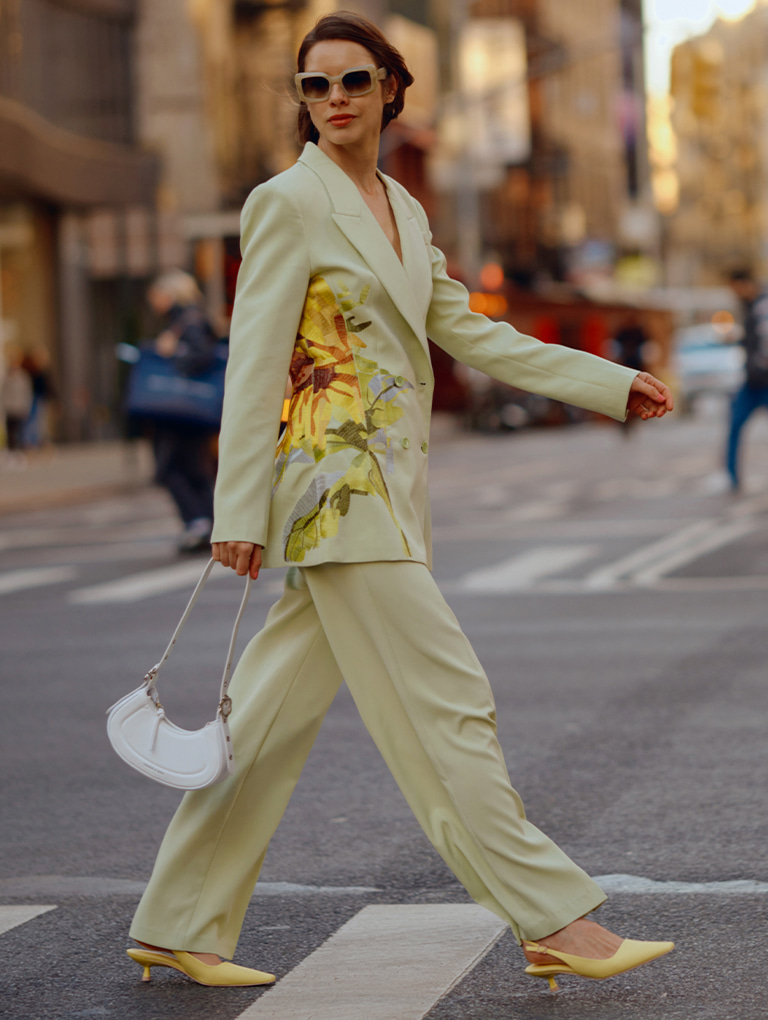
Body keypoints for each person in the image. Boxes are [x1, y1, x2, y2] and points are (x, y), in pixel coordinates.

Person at [126, 12, 675, 991]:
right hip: (337, 494)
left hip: (386, 493)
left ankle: (178, 920)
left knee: (265, 722)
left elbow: (473, 334)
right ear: (301, 101)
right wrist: (238, 512)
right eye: (313, 85)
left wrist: (604, 382)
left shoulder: (404, 210)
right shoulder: (286, 203)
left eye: (353, 81)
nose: (334, 99)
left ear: (392, 90)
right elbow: (255, 368)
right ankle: (552, 916)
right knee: (446, 704)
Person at [146, 270, 218, 552]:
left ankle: (199, 521)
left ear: (169, 295)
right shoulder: (188, 318)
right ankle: (206, 522)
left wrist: (172, 353)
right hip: (187, 412)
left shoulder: (187, 320)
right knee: (191, 466)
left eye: (156, 295)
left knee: (169, 468)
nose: (153, 301)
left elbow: (201, 355)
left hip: (180, 411)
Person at [725, 267, 768, 491]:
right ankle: (731, 477)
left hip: (761, 379)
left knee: (735, 425)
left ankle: (732, 477)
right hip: (753, 379)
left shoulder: (762, 304)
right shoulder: (750, 305)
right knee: (734, 424)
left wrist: (759, 365)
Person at [2, 346, 33, 467]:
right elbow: (3, 394)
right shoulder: (7, 378)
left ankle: (20, 453)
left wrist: (26, 407)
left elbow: (27, 393)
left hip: (19, 407)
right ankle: (11, 454)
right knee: (10, 432)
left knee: (21, 431)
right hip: (10, 408)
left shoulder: (23, 377)